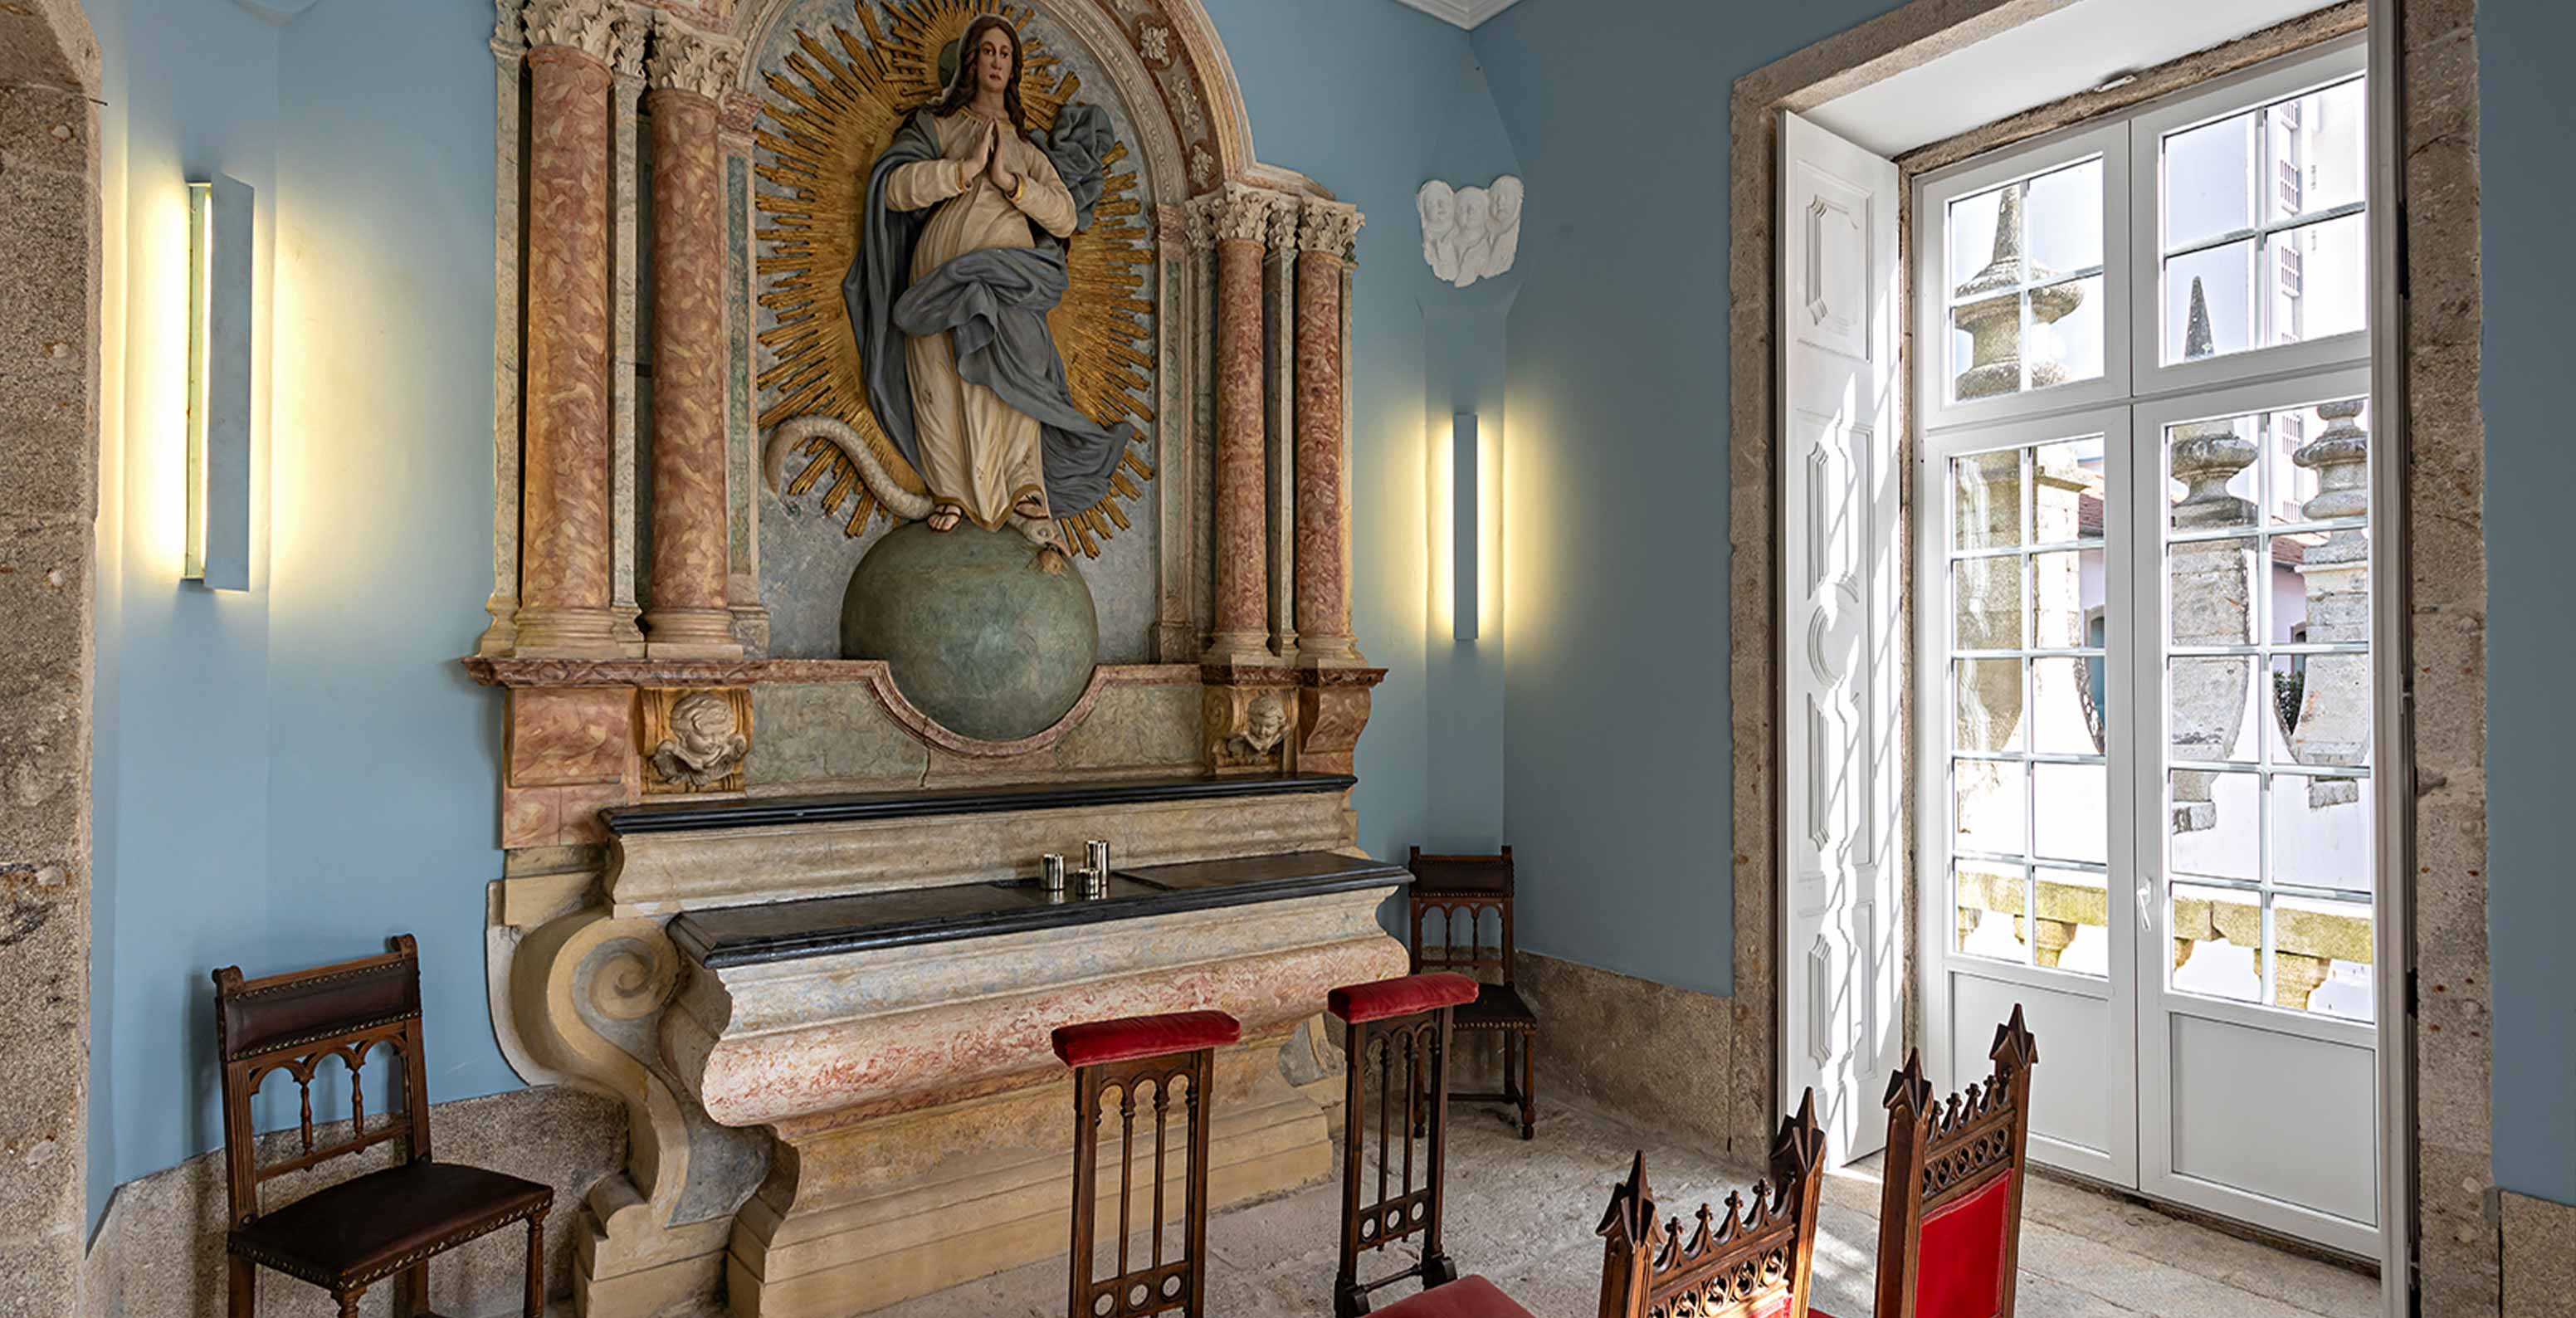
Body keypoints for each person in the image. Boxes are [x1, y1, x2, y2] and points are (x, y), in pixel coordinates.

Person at [842, 15, 1129, 544]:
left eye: (1005, 54)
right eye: (988, 51)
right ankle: (950, 488)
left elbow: (1064, 216)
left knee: (1018, 374)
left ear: (1013, 69)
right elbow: (893, 190)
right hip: (938, 272)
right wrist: (963, 170)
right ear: (970, 60)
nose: (996, 61)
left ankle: (1023, 486)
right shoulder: (937, 128)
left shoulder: (1025, 149)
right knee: (941, 375)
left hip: (1011, 277)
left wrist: (1010, 183)